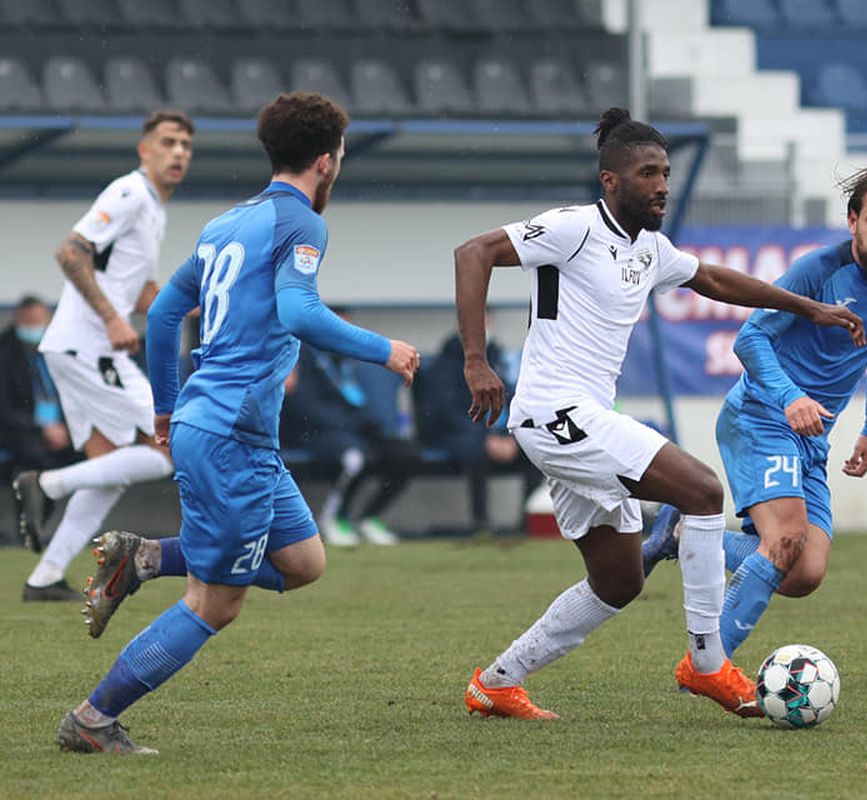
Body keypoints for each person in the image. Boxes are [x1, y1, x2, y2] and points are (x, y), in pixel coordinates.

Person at [454, 107, 865, 721]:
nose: (662, 185)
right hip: (553, 412)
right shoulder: (573, 228)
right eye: (648, 173)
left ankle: (496, 682)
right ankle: (707, 662)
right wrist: (476, 360)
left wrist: (809, 308)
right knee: (702, 490)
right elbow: (473, 252)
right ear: (610, 181)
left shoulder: (649, 249)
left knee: (619, 580)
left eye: (666, 172)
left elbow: (715, 280)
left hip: (582, 418)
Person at [54, 91, 419, 754]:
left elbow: (163, 314)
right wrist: (384, 349)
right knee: (214, 602)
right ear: (326, 161)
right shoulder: (301, 222)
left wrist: (166, 406)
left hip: (224, 427)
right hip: (231, 434)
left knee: (303, 561)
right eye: (340, 155)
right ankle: (93, 718)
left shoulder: (226, 223)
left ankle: (147, 556)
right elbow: (300, 312)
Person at [642, 164, 867, 663]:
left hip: (812, 437)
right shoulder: (818, 271)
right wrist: (790, 397)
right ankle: (707, 666)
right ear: (853, 221)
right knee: (788, 537)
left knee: (804, 573)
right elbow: (749, 338)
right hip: (760, 416)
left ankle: (684, 533)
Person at [13, 110, 194, 602]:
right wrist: (113, 319)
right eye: (168, 142)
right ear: (144, 149)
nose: (178, 152)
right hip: (87, 345)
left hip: (81, 348)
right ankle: (47, 484)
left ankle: (45, 577)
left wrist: (203, 303)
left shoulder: (154, 208)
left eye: (185, 144)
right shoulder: (130, 192)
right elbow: (71, 252)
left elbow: (142, 291)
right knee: (167, 446)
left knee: (113, 468)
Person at [281, 333, 421, 546]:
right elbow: (305, 406)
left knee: (406, 454)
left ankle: (369, 517)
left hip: (354, 428)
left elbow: (354, 399)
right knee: (356, 458)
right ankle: (334, 518)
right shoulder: (301, 353)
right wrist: (347, 424)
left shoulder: (343, 358)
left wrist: (369, 424)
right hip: (319, 432)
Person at [417, 323, 541, 533]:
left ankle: (526, 522)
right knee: (476, 453)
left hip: (497, 436)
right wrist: (484, 437)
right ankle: (481, 522)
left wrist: (510, 436)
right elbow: (445, 410)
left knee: (535, 452)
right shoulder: (448, 362)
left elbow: (512, 400)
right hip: (461, 435)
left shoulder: (497, 359)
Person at [0, 296, 78, 479]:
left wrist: (65, 427)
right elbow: (5, 410)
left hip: (63, 426)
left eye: (37, 321)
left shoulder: (61, 350)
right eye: (28, 321)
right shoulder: (5, 355)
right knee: (37, 455)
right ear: (17, 321)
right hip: (23, 429)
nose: (33, 327)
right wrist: (42, 428)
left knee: (86, 447)